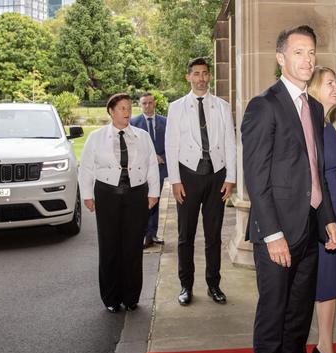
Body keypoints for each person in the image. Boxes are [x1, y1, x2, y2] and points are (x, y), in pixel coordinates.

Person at [241, 25, 336, 353]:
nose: (307, 59)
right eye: (298, 52)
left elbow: (316, 170)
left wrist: (326, 218)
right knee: (273, 320)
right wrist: (272, 235)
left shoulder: (314, 108)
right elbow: (256, 179)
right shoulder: (263, 106)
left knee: (298, 321)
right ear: (280, 58)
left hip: (308, 230)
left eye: (311, 52)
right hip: (277, 233)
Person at [78, 93, 160, 313]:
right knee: (110, 246)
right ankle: (111, 298)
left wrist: (154, 192)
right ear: (111, 112)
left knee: (133, 245)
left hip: (136, 195)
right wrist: (87, 194)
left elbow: (152, 165)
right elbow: (86, 167)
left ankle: (131, 296)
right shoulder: (96, 137)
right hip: (107, 195)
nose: (127, 112)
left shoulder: (142, 136)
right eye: (122, 108)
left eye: (129, 108)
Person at [164, 57, 236, 306]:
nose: (201, 78)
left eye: (205, 73)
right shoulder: (176, 108)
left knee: (213, 235)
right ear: (188, 77)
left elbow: (230, 143)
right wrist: (175, 180)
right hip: (188, 177)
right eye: (196, 73)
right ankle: (186, 285)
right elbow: (171, 145)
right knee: (186, 235)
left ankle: (214, 285)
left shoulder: (223, 107)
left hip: (217, 176)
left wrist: (231, 177)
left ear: (209, 76)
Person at [308, 66, 336, 353]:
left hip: (335, 213)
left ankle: (324, 347)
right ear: (314, 90)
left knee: (330, 282)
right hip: (319, 216)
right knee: (317, 282)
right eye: (330, 83)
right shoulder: (309, 127)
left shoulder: (327, 124)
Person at [131, 92, 168, 248]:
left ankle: (153, 233)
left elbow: (172, 143)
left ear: (155, 104)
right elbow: (131, 147)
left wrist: (163, 157)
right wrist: (151, 158)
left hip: (159, 169)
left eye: (150, 103)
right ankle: (143, 234)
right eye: (144, 103)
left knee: (155, 200)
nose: (147, 106)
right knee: (142, 202)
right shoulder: (133, 123)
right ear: (140, 105)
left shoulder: (166, 122)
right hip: (141, 170)